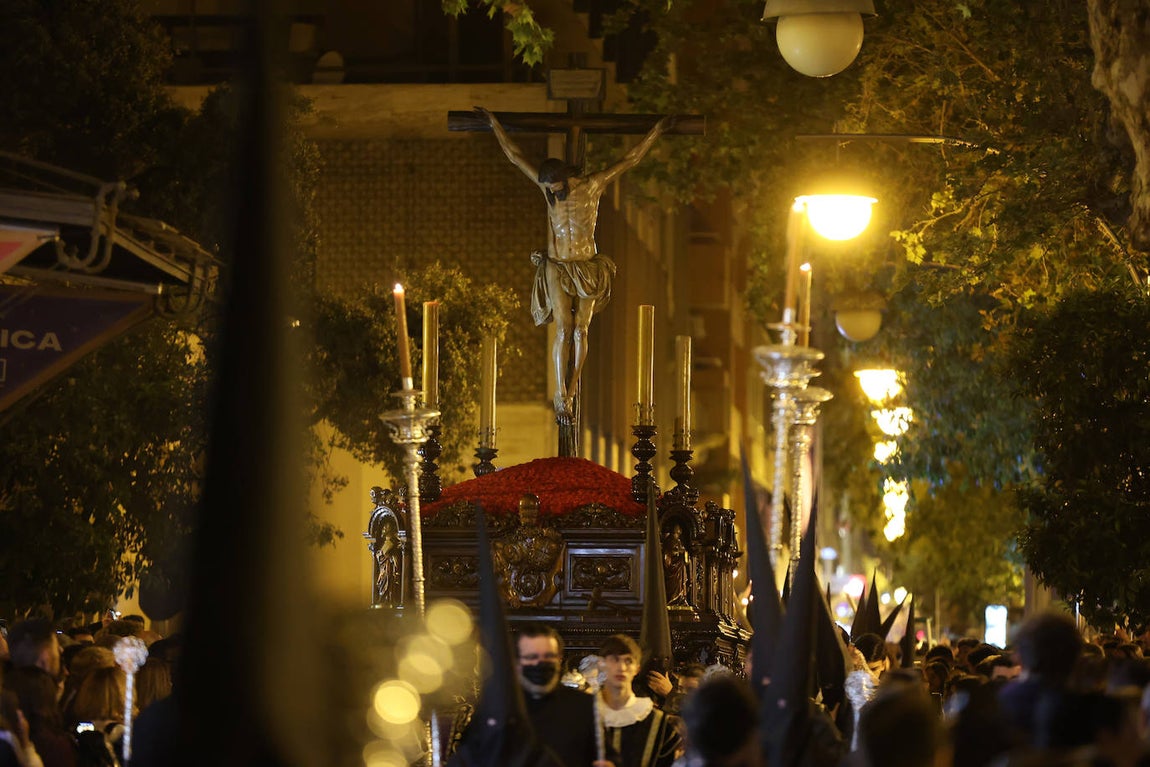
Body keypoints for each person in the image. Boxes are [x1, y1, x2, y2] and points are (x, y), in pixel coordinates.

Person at [475, 106, 671, 421]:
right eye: (549, 190)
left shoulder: (593, 186)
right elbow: (514, 155)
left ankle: (574, 387)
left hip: (587, 265)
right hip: (556, 264)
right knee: (563, 329)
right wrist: (493, 123)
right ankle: (559, 394)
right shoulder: (547, 189)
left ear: (565, 177)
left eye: (555, 188)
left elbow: (630, 160)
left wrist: (656, 132)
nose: (552, 195)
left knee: (581, 329)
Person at [513, 624, 609, 767]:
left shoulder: (584, 706)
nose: (540, 663)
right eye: (532, 657)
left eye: (548, 656)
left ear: (559, 659)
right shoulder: (500, 707)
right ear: (517, 662)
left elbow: (607, 757)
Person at [597, 634, 681, 767]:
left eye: (628, 661)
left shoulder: (658, 723)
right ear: (602, 665)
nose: (622, 668)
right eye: (614, 660)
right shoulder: (584, 716)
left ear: (637, 668)